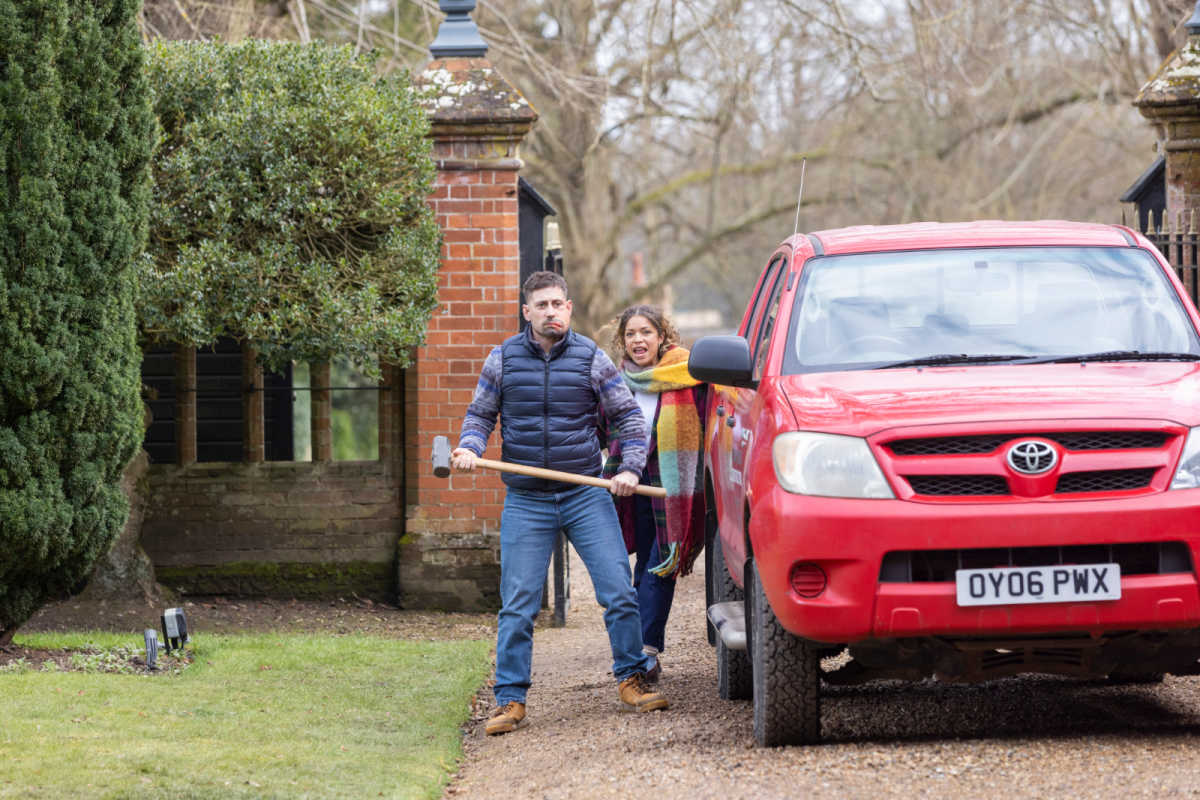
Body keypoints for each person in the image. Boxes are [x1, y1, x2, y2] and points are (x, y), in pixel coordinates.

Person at [451, 271, 668, 737]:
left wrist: (628, 468)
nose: (551, 312)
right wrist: (469, 447)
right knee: (519, 603)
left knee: (617, 590)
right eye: (542, 305)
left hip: (585, 491)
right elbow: (480, 415)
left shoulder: (591, 357)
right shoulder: (502, 360)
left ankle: (631, 678)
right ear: (526, 312)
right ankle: (510, 700)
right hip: (527, 499)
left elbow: (629, 418)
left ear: (569, 308)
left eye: (558, 304)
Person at [601, 305, 706, 683]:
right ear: (622, 341)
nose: (638, 340)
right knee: (640, 562)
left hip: (672, 484)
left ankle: (643, 651)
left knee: (661, 564)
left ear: (662, 336)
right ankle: (637, 650)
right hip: (628, 484)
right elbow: (599, 429)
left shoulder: (688, 373)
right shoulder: (617, 381)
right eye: (630, 334)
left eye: (645, 332)